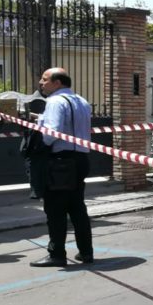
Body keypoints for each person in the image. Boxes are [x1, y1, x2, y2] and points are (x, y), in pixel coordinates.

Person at [31, 67, 94, 266]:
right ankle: (86, 252)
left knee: (55, 209)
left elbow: (52, 133)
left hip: (60, 162)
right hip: (81, 159)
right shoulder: (82, 101)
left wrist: (40, 140)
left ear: (57, 83)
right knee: (77, 208)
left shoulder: (54, 101)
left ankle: (56, 254)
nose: (41, 83)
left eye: (45, 79)